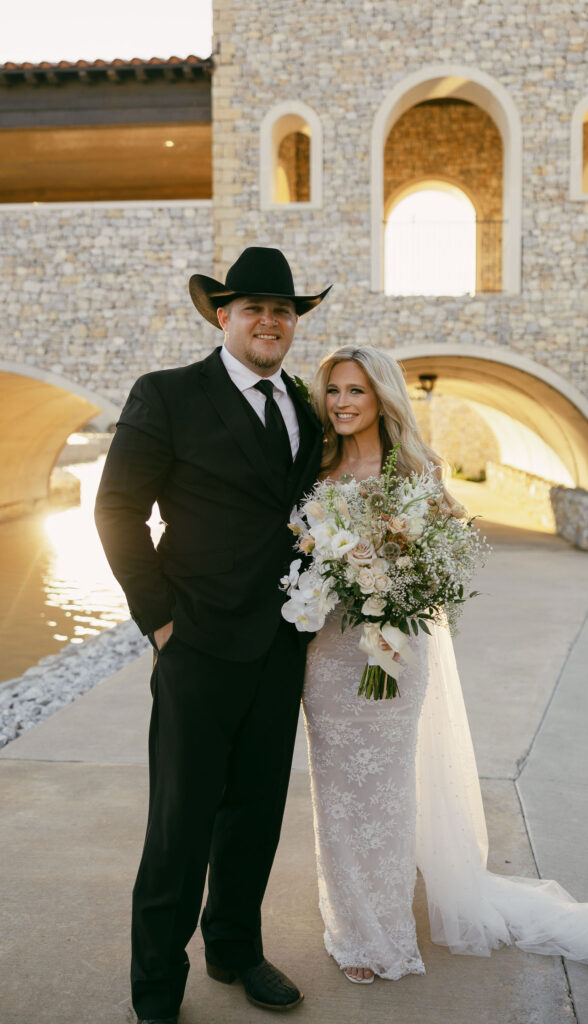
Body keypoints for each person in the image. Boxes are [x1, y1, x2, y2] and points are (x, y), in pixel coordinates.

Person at [300, 345, 588, 1022]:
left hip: (395, 654)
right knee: (335, 793)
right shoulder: (312, 467)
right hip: (329, 655)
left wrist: (395, 576)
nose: (341, 403)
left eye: (354, 390)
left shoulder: (416, 471)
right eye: (332, 391)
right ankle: (348, 922)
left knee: (387, 792)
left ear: (381, 397)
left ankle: (382, 934)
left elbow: (445, 558)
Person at [94, 246, 331, 1024]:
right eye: (254, 307)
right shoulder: (167, 395)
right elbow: (118, 511)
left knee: (255, 813)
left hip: (278, 645)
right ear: (221, 315)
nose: (270, 320)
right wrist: (160, 622)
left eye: (284, 310)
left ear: (294, 324)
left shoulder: (301, 403)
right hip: (194, 642)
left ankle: (234, 948)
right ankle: (157, 983)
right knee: (180, 822)